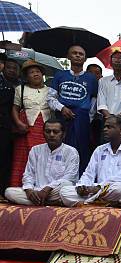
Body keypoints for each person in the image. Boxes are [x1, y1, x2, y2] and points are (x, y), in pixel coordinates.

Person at [60, 115, 121, 207]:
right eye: (104, 127)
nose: (105, 129)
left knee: (119, 189)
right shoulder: (99, 150)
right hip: (95, 191)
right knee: (64, 191)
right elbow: (89, 173)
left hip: (115, 190)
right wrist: (82, 187)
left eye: (109, 127)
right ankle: (104, 203)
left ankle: (89, 203)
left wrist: (99, 187)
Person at [47, 45, 98, 174]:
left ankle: (80, 180)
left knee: (82, 149)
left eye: (81, 54)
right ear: (68, 56)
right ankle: (58, 177)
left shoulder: (91, 78)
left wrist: (88, 118)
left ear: (85, 59)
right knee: (60, 147)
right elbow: (50, 97)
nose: (77, 55)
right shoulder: (59, 75)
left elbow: (94, 100)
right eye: (74, 53)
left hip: (82, 118)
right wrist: (62, 108)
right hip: (62, 117)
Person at [4, 120, 79, 206]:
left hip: (57, 191)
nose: (51, 135)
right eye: (48, 131)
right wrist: (29, 190)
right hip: (38, 191)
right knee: (9, 192)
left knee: (67, 188)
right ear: (43, 133)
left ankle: (39, 202)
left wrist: (48, 188)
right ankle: (51, 202)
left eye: (55, 132)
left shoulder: (71, 151)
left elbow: (70, 177)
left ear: (63, 134)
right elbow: (28, 175)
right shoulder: (35, 150)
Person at [10, 60, 50, 187]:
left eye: (37, 71)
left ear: (42, 74)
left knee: (42, 158)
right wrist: (18, 123)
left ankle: (40, 187)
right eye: (31, 72)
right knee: (22, 158)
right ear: (26, 77)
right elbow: (15, 108)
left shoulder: (50, 90)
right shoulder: (20, 89)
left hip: (45, 130)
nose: (35, 74)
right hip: (26, 129)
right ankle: (18, 187)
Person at [0, 54, 15, 200]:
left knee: (4, 159)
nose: (11, 70)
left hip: (6, 127)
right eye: (8, 66)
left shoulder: (16, 85)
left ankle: (2, 192)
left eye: (14, 68)